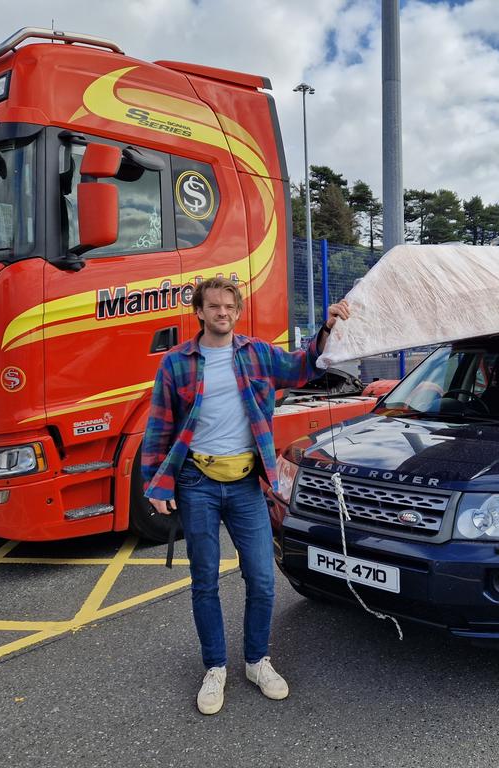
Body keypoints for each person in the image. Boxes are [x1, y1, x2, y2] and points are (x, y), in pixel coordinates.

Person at [141, 276, 349, 715]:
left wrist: (326, 328)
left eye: (229, 307)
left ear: (237, 311)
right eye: (213, 306)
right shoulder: (177, 363)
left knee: (262, 577)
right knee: (205, 581)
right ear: (199, 312)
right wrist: (155, 484)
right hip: (197, 482)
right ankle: (215, 667)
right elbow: (158, 428)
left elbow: (304, 366)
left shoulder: (256, 354)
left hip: (245, 483)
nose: (222, 313)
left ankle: (257, 660)